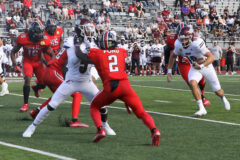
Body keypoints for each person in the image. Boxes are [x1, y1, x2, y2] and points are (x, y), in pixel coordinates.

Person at [22, 18, 116, 138]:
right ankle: (32, 127)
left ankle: (105, 126)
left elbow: (95, 59)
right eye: (87, 28)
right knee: (52, 105)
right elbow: (74, 59)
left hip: (86, 81)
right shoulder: (71, 41)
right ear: (80, 30)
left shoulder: (92, 43)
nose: (90, 31)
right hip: (71, 81)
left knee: (102, 106)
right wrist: (84, 50)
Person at [75, 31, 160, 145]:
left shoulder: (98, 53)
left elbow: (81, 56)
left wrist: (77, 46)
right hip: (125, 86)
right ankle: (154, 130)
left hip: (111, 87)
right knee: (141, 112)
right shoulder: (121, 51)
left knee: (94, 106)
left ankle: (100, 129)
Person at [167, 26, 230, 116]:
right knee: (192, 83)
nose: (183, 41)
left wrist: (201, 66)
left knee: (218, 91)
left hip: (206, 67)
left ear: (191, 37)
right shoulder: (178, 44)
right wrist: (169, 71)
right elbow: (173, 56)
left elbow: (211, 57)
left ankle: (222, 97)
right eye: (182, 39)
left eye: (186, 39)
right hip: (194, 67)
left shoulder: (197, 43)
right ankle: (202, 108)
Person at [11, 20, 55, 112]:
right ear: (33, 32)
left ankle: (36, 88)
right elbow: (13, 52)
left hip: (38, 63)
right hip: (28, 62)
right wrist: (15, 65)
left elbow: (52, 54)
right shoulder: (23, 38)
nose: (40, 35)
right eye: (38, 33)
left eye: (41, 32)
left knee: (43, 84)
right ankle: (25, 104)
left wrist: (51, 64)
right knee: (27, 78)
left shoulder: (44, 40)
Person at [166, 23, 210, 107]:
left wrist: (203, 60)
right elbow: (168, 52)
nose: (183, 37)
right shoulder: (172, 39)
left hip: (195, 62)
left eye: (185, 35)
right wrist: (169, 69)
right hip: (183, 64)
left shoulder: (195, 38)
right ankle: (202, 98)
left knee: (202, 81)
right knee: (191, 83)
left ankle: (201, 92)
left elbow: (202, 49)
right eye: (181, 34)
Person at [32, 18, 63, 98]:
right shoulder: (43, 34)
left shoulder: (59, 30)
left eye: (54, 27)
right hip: (47, 53)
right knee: (48, 73)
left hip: (57, 52)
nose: (53, 29)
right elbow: (41, 48)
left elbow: (61, 39)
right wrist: (44, 60)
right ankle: (40, 83)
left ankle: (40, 83)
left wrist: (60, 47)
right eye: (51, 27)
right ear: (47, 27)